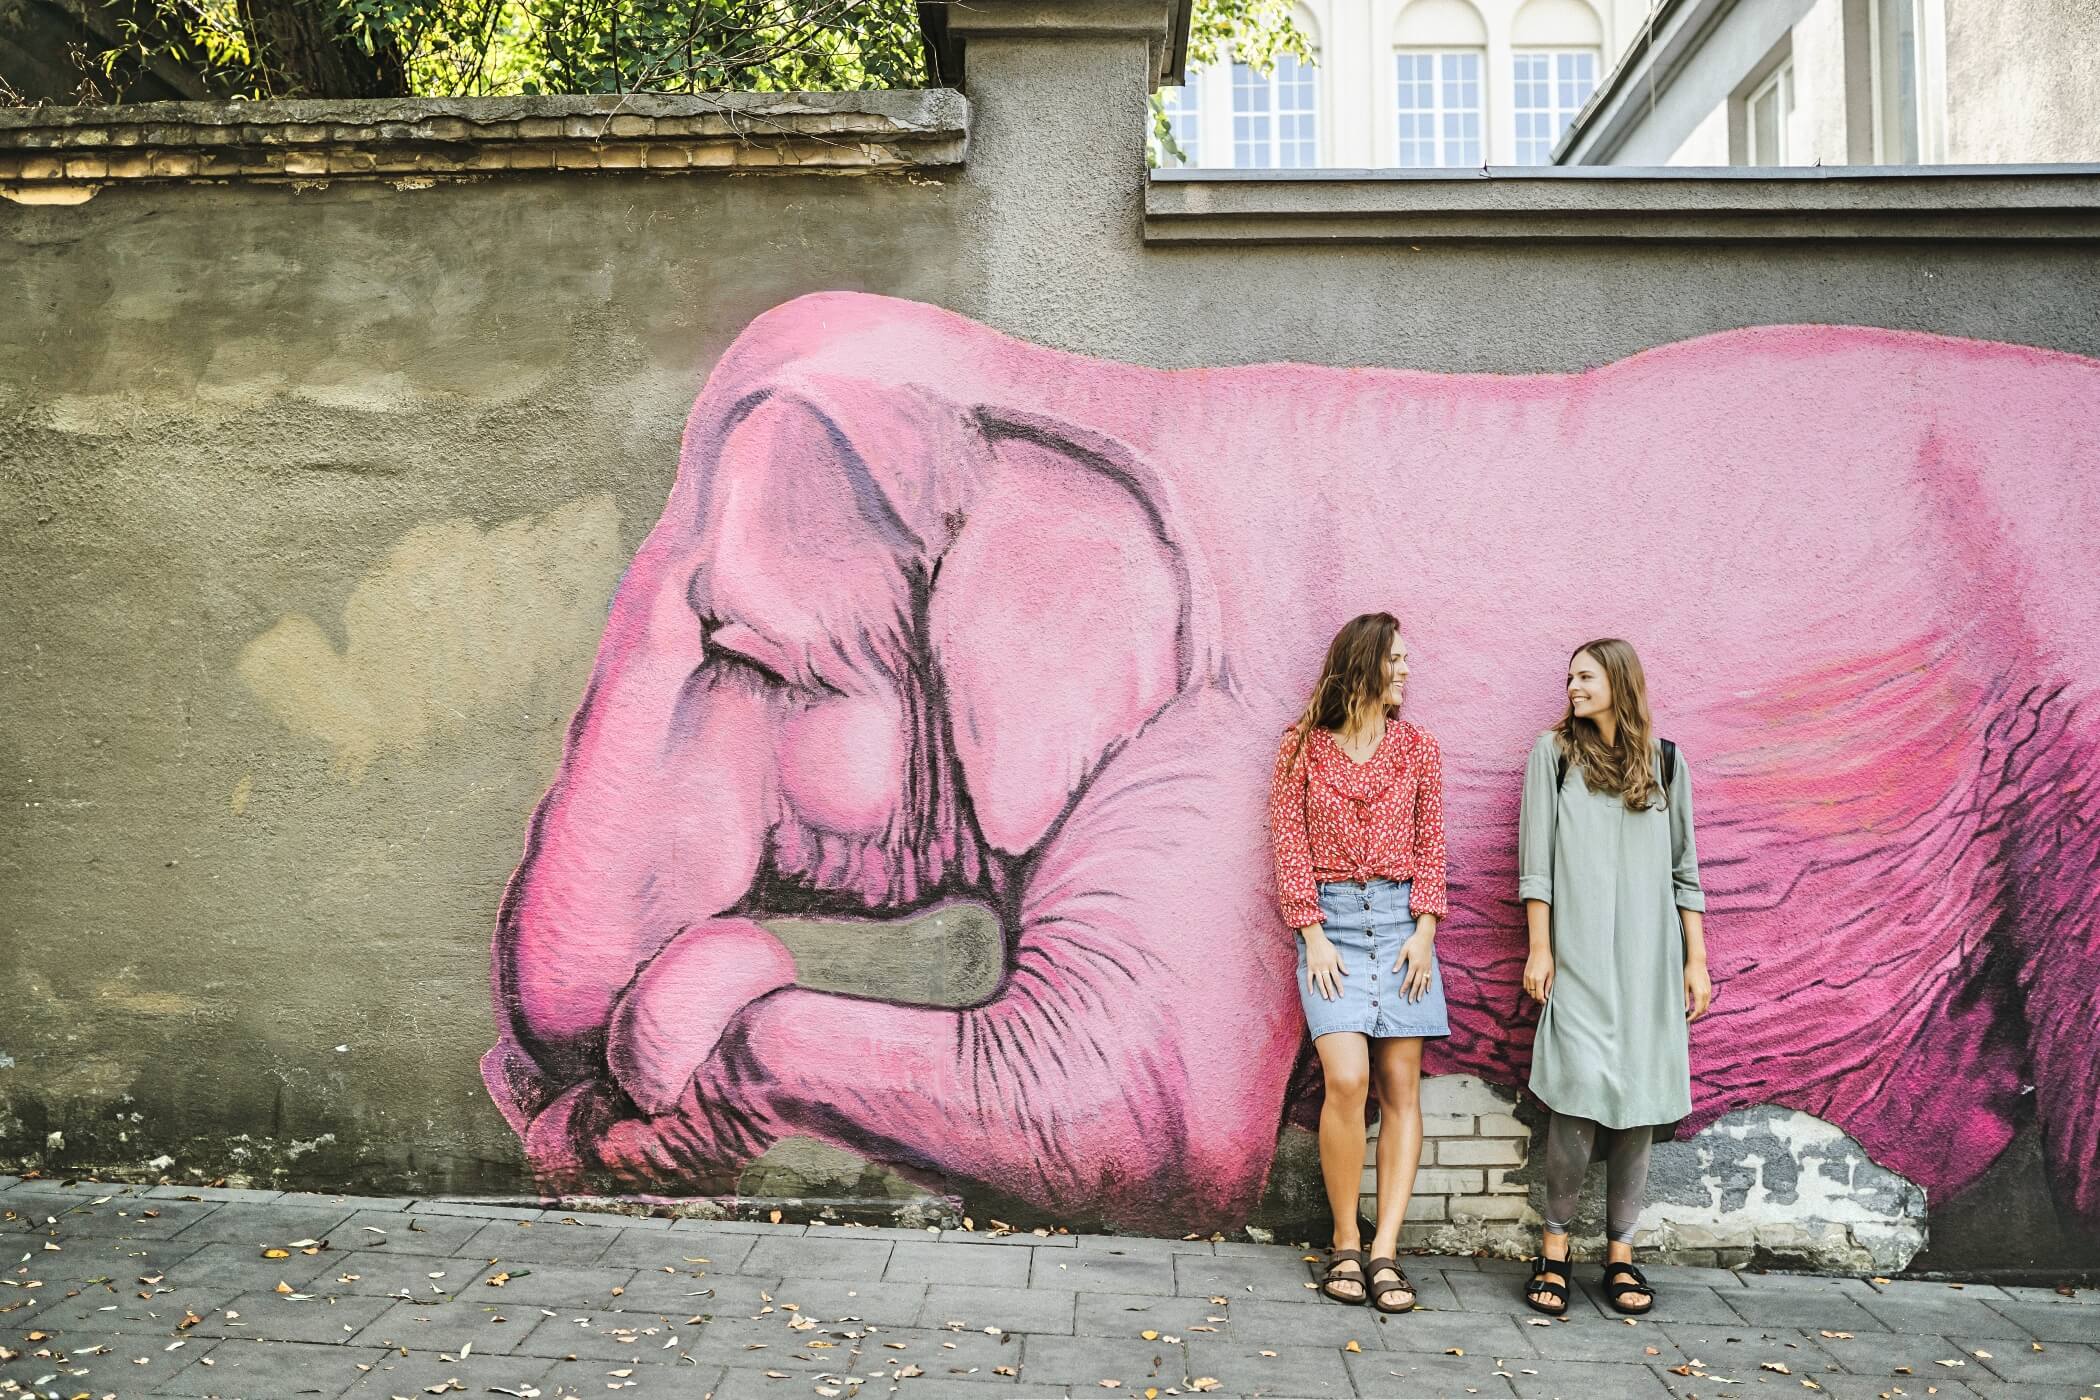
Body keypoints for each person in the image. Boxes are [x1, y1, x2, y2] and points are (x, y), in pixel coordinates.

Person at [1517, 638, 1711, 1317]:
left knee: (1639, 1106)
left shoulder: (1666, 763)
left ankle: (1621, 1255)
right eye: (1569, 677)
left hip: (1650, 965)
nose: (1572, 687)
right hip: (1578, 960)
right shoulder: (1554, 756)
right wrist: (1540, 949)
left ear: (1620, 683)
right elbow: (1536, 865)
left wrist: (1695, 960)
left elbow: (1685, 871)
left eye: (1586, 676)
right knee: (1575, 1098)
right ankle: (1555, 1248)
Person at [1268, 611, 1449, 1313]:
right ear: (1364, 665)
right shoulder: (1301, 750)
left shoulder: (1420, 748)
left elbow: (1431, 846)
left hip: (1404, 928)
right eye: (1394, 659)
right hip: (1333, 927)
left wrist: (1425, 932)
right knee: (1346, 1079)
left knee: (1401, 1087)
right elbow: (1289, 847)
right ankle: (1346, 1237)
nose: (1406, 669)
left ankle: (1384, 1252)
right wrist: (1312, 935)